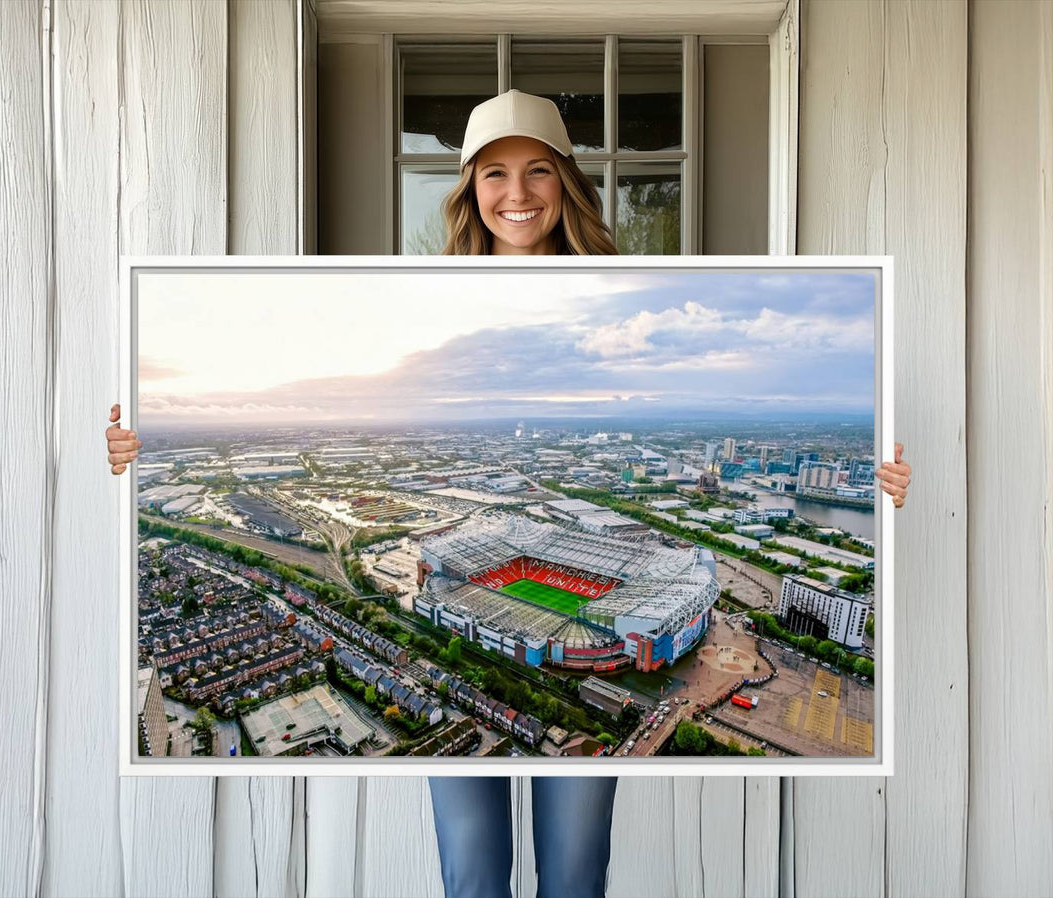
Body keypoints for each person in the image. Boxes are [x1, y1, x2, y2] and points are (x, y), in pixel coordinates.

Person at [104, 89, 912, 898]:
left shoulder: (629, 291)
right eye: (495, 173)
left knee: (573, 872)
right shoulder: (424, 302)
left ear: (565, 182)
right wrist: (128, 452)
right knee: (472, 872)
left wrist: (878, 484)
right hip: (488, 644)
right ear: (469, 189)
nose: (517, 193)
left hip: (569, 634)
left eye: (537, 172)